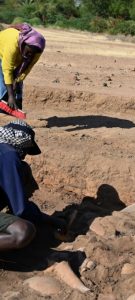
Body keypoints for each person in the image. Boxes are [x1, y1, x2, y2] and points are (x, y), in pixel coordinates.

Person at [0, 120, 65, 251]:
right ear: (21, 144)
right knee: (23, 232)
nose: (24, 156)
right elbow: (21, 210)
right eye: (26, 150)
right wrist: (50, 220)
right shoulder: (9, 156)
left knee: (23, 169)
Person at [0, 23, 45, 110]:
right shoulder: (13, 43)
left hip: (13, 54)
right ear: (24, 44)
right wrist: (10, 95)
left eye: (32, 53)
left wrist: (17, 81)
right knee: (3, 82)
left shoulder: (37, 51)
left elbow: (27, 69)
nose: (29, 55)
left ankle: (16, 108)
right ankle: (3, 109)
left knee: (18, 86)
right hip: (1, 52)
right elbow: (7, 69)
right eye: (28, 51)